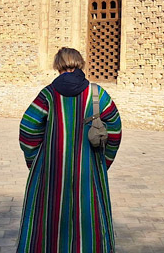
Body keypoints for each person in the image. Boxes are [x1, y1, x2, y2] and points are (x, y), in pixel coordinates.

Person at [17, 47, 122, 252]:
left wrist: (36, 162)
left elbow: (28, 128)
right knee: (89, 217)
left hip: (53, 173)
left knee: (50, 220)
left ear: (57, 66)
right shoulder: (97, 93)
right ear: (80, 63)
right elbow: (115, 130)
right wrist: (103, 162)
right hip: (88, 171)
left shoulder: (48, 94)